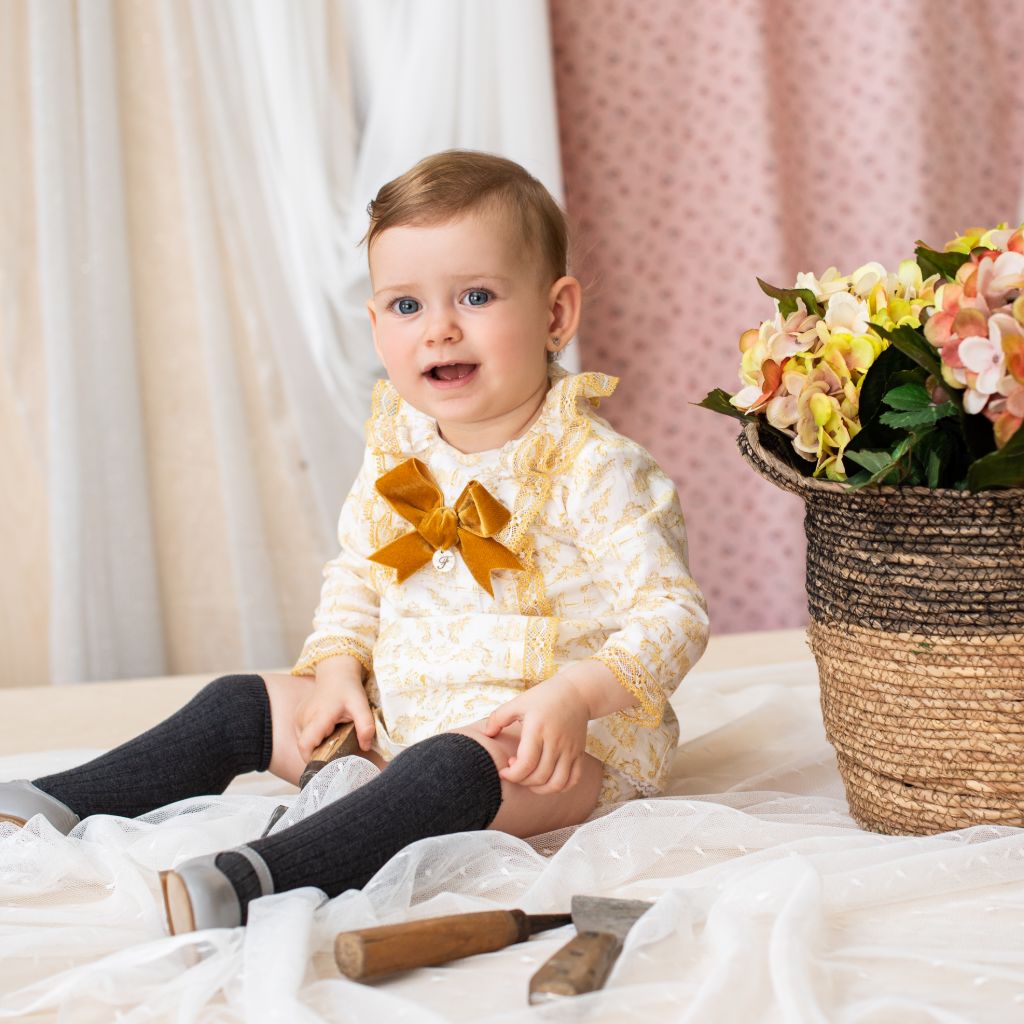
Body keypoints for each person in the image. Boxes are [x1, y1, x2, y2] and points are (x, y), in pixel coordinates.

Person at [0, 150, 710, 933]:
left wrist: (575, 697)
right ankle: (53, 801)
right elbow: (359, 571)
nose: (439, 327)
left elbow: (675, 615)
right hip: (401, 712)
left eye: (476, 296)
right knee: (244, 703)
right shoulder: (398, 442)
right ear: (376, 325)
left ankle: (262, 875)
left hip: (543, 752)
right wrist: (337, 664)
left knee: (451, 766)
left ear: (554, 313)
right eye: (406, 306)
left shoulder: (594, 465)